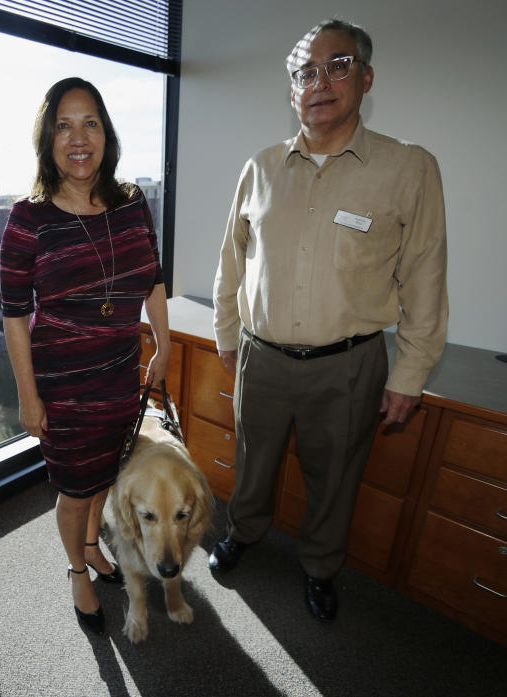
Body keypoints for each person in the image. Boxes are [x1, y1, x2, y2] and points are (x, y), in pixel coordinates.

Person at [210, 19, 448, 623]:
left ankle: (319, 568)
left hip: (348, 365)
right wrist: (228, 337)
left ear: (366, 77)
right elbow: (231, 265)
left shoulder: (409, 168)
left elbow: (424, 275)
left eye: (337, 65)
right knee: (252, 462)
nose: (320, 81)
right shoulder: (258, 169)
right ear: (292, 91)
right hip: (260, 359)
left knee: (335, 479)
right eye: (305, 72)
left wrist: (410, 373)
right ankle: (242, 531)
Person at [0, 77, 170, 635]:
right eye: (64, 125)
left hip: (120, 374)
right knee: (75, 491)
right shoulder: (29, 219)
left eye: (90, 122)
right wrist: (29, 396)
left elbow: (154, 279)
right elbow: (13, 314)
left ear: (106, 133)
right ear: (48, 140)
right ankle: (77, 569)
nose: (79, 137)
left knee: (105, 474)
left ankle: (96, 547)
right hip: (64, 387)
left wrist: (164, 345)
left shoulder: (132, 203)